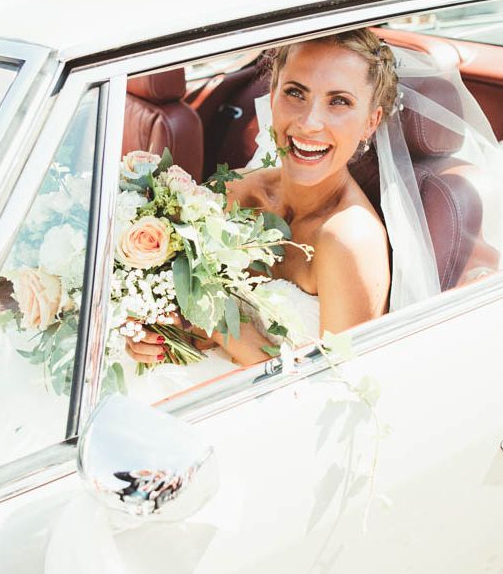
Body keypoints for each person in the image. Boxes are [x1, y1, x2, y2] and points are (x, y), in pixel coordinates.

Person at [126, 29, 397, 367]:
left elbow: (335, 391)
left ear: (371, 122)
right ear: (272, 96)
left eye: (339, 101)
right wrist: (155, 334)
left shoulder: (349, 240)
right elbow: (195, 326)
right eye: (296, 93)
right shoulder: (236, 190)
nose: (310, 123)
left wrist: (223, 326)